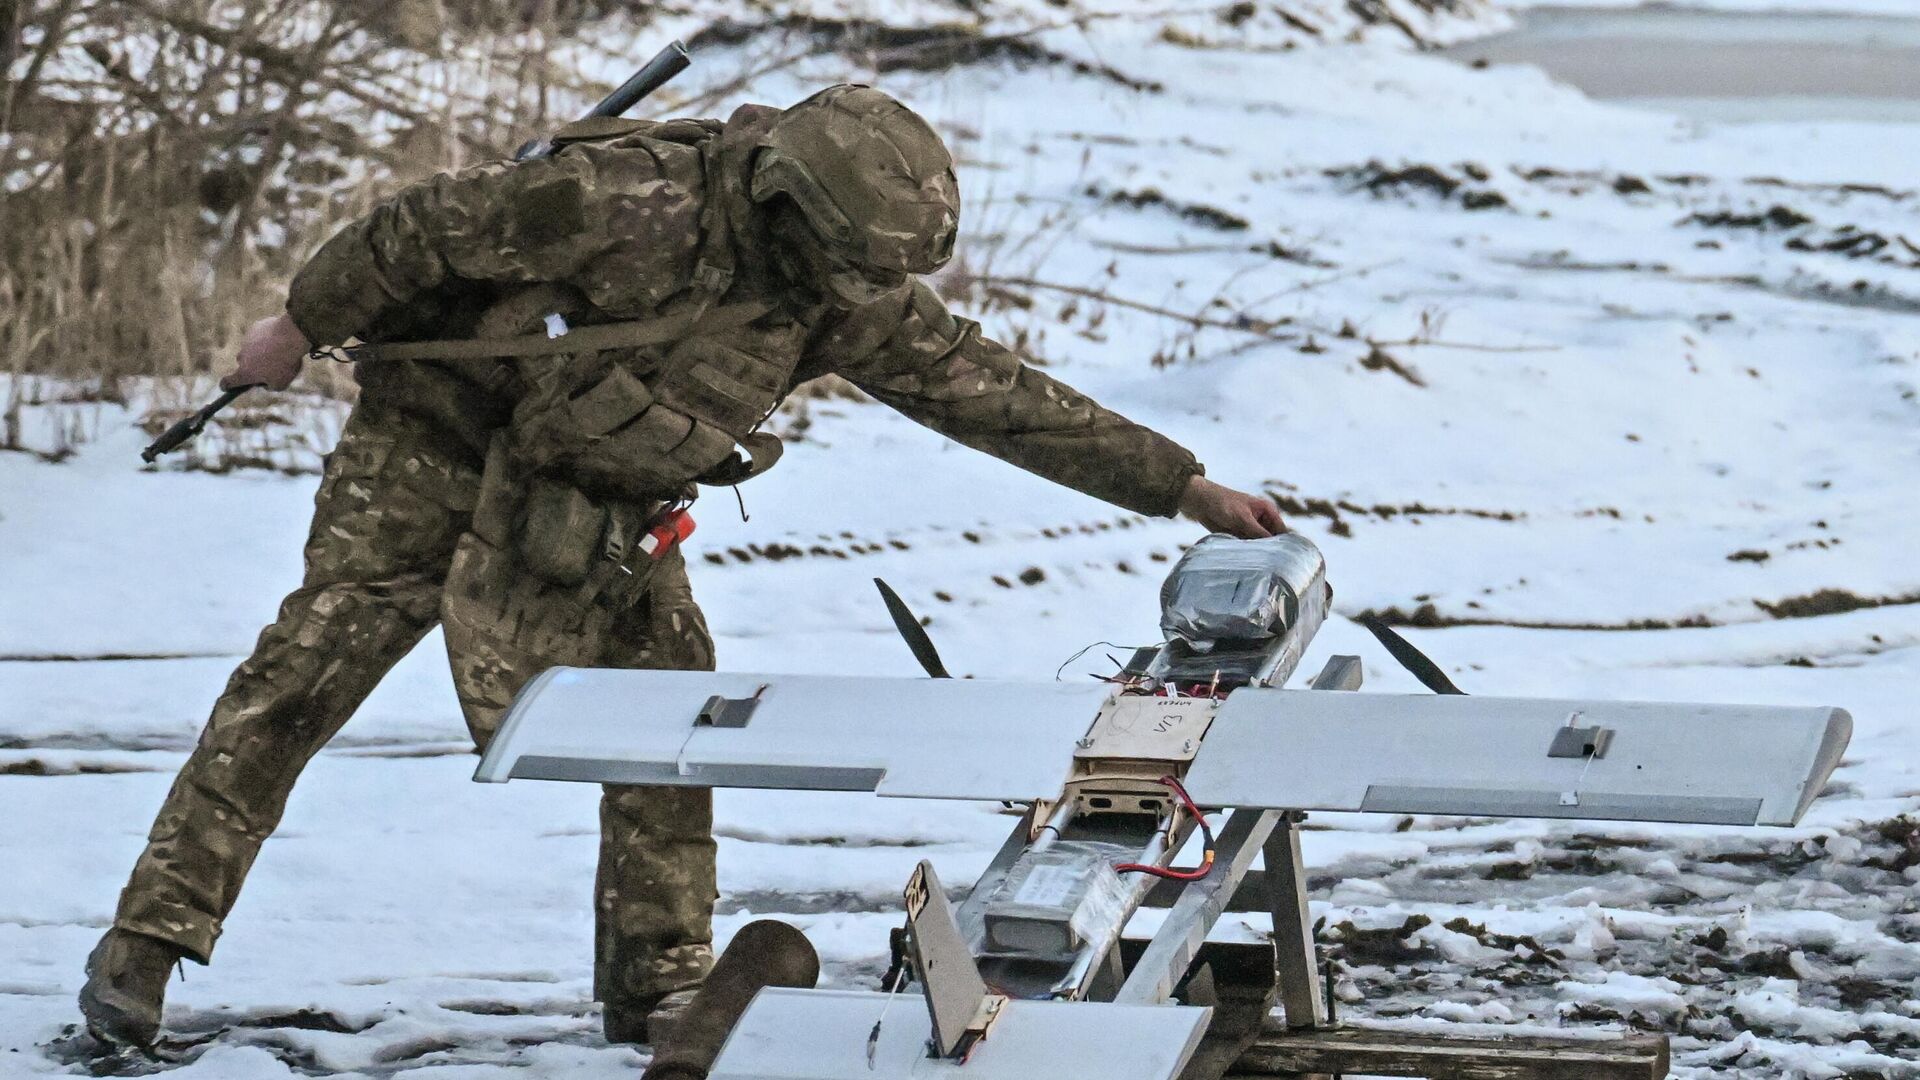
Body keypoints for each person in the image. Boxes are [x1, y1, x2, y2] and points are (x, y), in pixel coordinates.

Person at [80, 84, 1286, 1049]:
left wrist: (1180, 483)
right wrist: (293, 328)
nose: (866, 299)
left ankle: (660, 980)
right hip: (435, 441)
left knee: (672, 703)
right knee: (304, 676)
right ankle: (146, 944)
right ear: (785, 208)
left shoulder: (842, 297)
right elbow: (414, 234)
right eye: (852, 266)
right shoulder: (615, 199)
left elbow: (997, 397)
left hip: (597, 494)